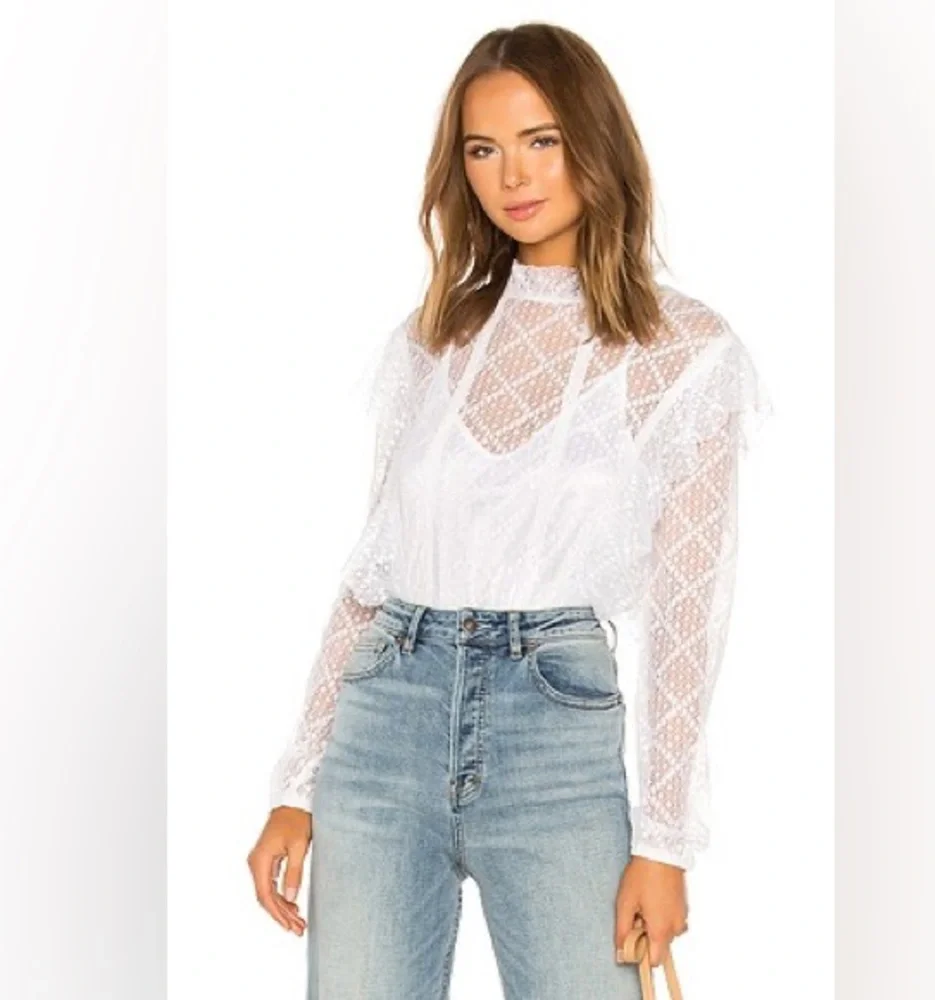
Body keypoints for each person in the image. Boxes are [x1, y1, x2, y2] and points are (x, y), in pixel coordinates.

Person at [247, 20, 771, 999]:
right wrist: (296, 786)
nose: (512, 175)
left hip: (555, 737)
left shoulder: (682, 353)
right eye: (482, 150)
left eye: (541, 140)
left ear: (594, 141)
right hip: (384, 719)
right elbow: (371, 573)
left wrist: (663, 841)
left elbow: (687, 613)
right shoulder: (432, 340)